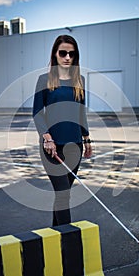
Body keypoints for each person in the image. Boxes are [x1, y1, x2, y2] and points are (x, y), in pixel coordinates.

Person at [32, 35, 92, 226]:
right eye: (63, 53)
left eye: (71, 54)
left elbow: (81, 112)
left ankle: (55, 236)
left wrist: (87, 138)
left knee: (62, 196)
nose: (67, 57)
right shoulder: (44, 79)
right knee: (63, 193)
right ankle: (68, 242)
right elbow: (37, 112)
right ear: (55, 54)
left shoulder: (79, 80)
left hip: (75, 145)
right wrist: (46, 137)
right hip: (53, 147)